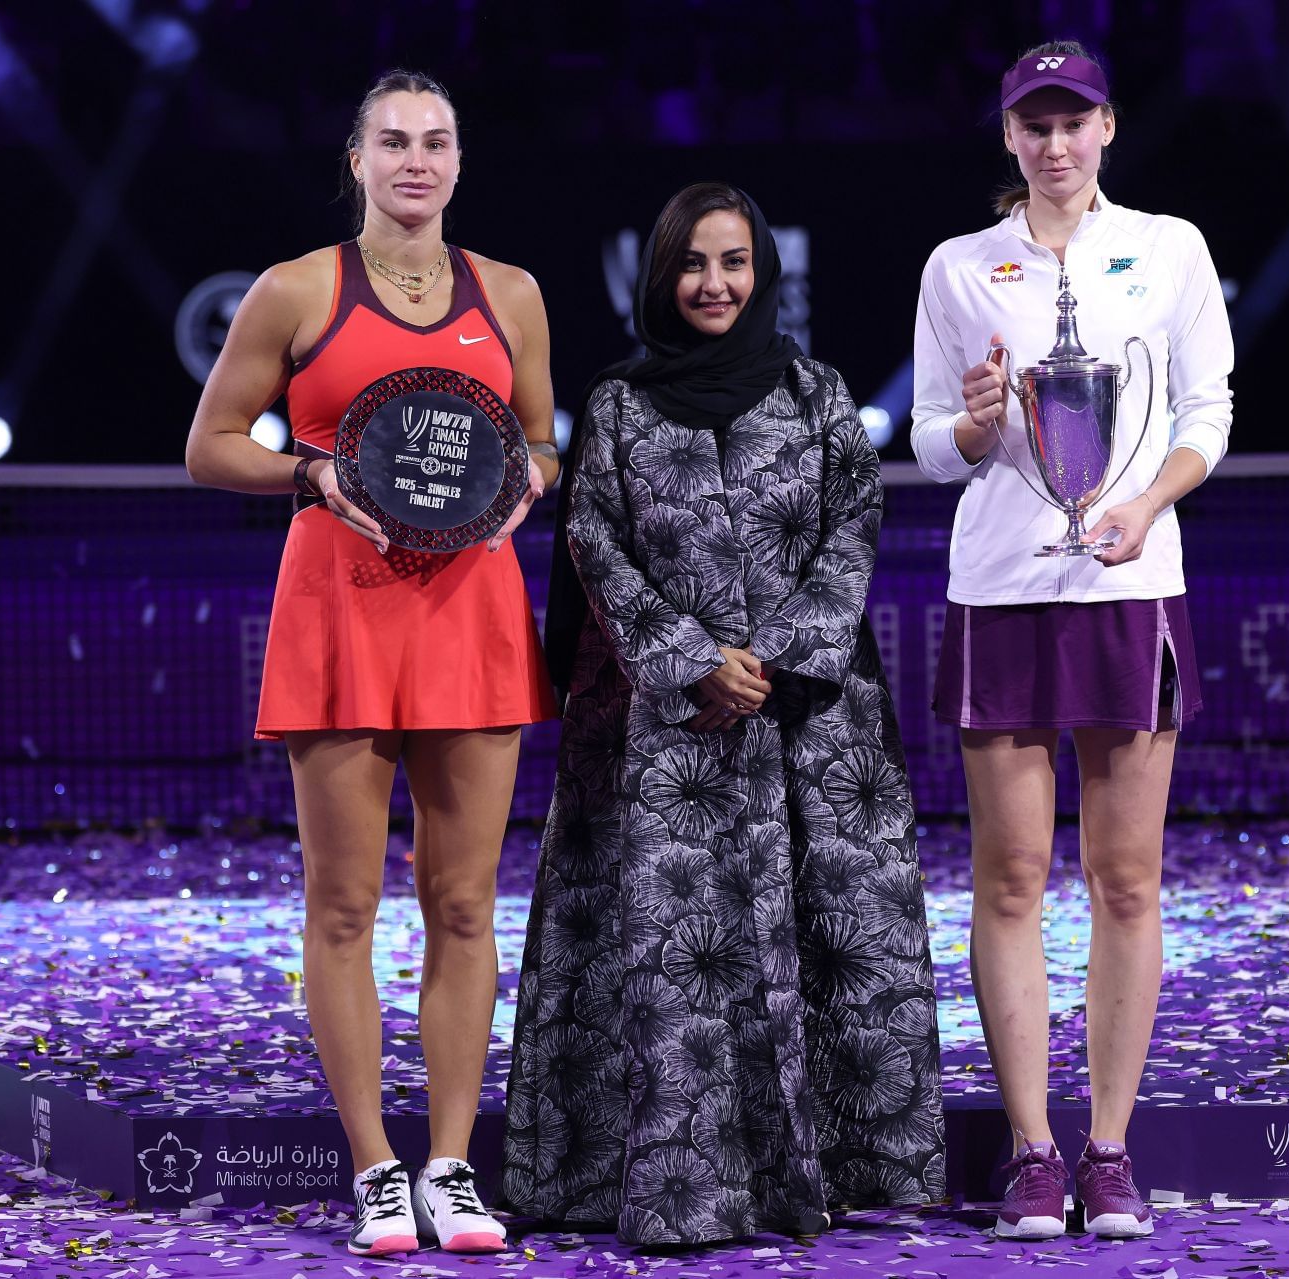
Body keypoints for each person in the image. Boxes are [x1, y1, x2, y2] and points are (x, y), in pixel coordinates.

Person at [503, 182, 944, 1247]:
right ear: (660, 276)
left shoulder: (817, 392)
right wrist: (692, 661)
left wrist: (779, 660)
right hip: (664, 735)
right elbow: (593, 542)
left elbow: (854, 526)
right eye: (694, 264)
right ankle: (672, 1189)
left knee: (822, 940)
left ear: (764, 272)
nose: (714, 284)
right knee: (674, 958)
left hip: (811, 730)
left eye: (734, 262)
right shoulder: (615, 403)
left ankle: (826, 1174)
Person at [183, 69, 559, 1257]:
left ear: (459, 160)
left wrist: (529, 484)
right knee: (342, 906)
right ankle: (375, 1170)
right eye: (393, 142)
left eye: (437, 142)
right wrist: (309, 474)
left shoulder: (513, 294)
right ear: (356, 159)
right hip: (338, 609)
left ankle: (452, 1167)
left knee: (462, 900)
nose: (416, 161)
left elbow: (542, 437)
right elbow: (209, 445)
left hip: (472, 612)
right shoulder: (297, 290)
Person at [909, 41, 1234, 1241]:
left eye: (1074, 121)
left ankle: (1109, 1147)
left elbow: (1208, 410)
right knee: (1008, 879)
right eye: (1032, 125)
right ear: (1008, 138)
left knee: (1127, 878)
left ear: (1108, 128)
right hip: (1000, 589)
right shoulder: (961, 266)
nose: (1054, 143)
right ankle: (1032, 1150)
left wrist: (1146, 506)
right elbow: (935, 440)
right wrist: (978, 425)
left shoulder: (1170, 249)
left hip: (1132, 587)